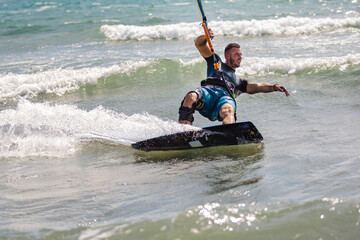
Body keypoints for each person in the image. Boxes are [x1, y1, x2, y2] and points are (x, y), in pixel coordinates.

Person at [178, 29, 290, 125]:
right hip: (208, 93)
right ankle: (184, 131)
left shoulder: (239, 81)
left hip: (224, 99)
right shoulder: (215, 61)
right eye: (237, 54)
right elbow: (200, 44)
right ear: (227, 55)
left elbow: (258, 86)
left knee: (228, 110)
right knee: (191, 96)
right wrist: (206, 36)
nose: (240, 57)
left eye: (241, 55)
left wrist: (273, 87)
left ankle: (228, 132)